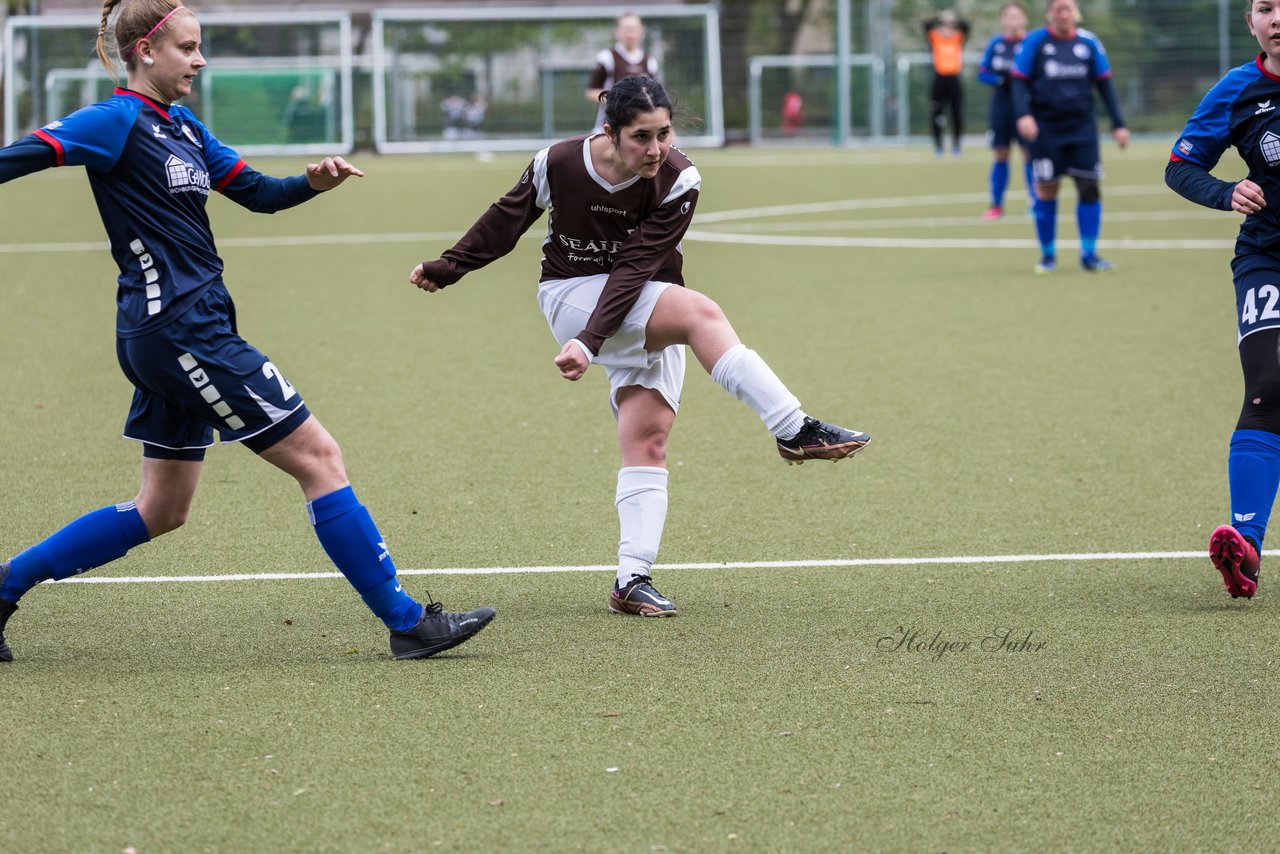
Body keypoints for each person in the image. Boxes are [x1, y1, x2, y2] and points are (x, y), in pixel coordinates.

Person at [0, 0, 494, 663]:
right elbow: (21, 155)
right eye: (187, 47)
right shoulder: (114, 120)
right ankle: (407, 621)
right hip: (181, 333)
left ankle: (5, 587)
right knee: (319, 458)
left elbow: (259, 192)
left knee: (162, 508)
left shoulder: (184, 128)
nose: (200, 59)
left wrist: (311, 183)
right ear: (146, 50)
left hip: (175, 333)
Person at [409, 76, 870, 618]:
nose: (656, 150)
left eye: (664, 134)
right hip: (572, 298)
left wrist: (593, 340)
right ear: (610, 132)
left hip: (639, 300)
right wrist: (450, 267)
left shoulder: (680, 178)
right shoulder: (558, 163)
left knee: (648, 440)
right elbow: (506, 221)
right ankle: (793, 427)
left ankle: (631, 579)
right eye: (642, 138)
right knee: (701, 315)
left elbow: (636, 266)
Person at [1165, 0, 1280, 600]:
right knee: (1267, 388)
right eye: (1266, 6)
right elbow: (1181, 166)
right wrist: (1226, 190)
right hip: (1267, 257)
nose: (1278, 16)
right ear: (1251, 21)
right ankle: (1247, 545)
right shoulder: (1238, 90)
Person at [1011, 0, 1128, 274]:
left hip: (1083, 129)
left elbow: (1104, 84)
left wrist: (1118, 124)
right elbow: (1018, 80)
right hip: (1046, 129)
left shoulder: (1089, 42)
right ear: (1049, 14)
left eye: (1068, 8)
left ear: (1076, 12)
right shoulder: (1035, 42)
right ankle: (1048, 255)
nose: (1063, 14)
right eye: (1058, 9)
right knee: (1047, 189)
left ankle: (1089, 255)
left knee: (1089, 187)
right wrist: (1023, 115)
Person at [977, 2, 1033, 219]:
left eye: (1017, 15)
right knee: (1001, 153)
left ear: (1024, 19)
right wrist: (998, 80)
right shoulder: (996, 44)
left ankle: (1035, 203)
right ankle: (996, 205)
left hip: (1026, 107)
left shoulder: (1031, 43)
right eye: (1009, 16)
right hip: (1001, 106)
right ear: (1003, 20)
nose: (1013, 20)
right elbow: (982, 72)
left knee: (1030, 154)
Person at [585, 11, 658, 134]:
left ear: (641, 31)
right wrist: (618, 101)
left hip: (640, 129)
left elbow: (655, 95)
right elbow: (591, 92)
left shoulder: (649, 61)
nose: (631, 34)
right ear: (617, 32)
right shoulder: (607, 58)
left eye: (634, 29)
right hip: (609, 127)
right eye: (626, 29)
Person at [924, 9, 970, 157]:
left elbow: (966, 26)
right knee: (937, 113)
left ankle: (956, 144)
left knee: (956, 113)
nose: (946, 29)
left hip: (954, 79)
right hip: (939, 79)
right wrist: (939, 17)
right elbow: (926, 25)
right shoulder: (935, 38)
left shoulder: (957, 38)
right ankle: (938, 145)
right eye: (943, 26)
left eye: (949, 26)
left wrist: (953, 19)